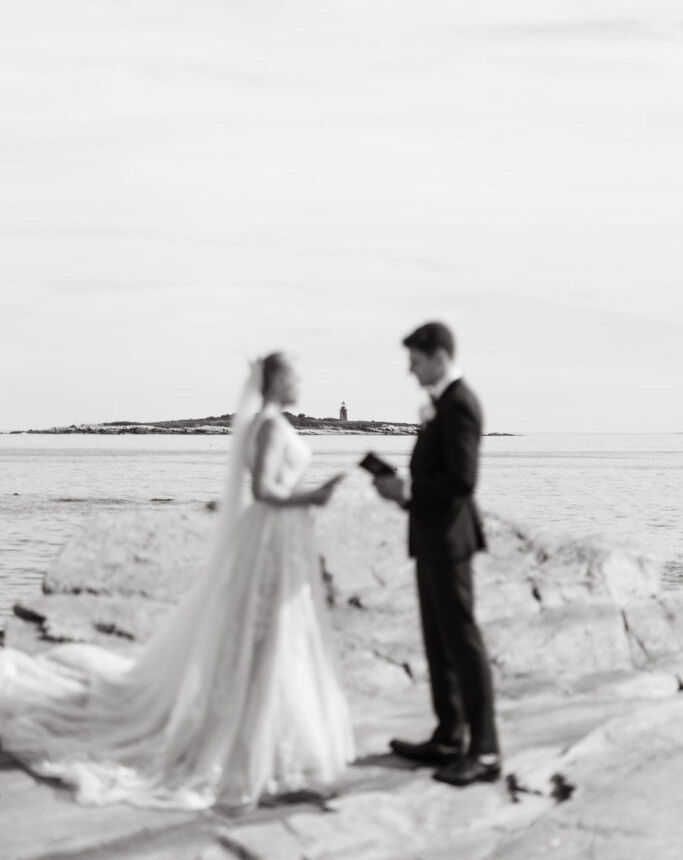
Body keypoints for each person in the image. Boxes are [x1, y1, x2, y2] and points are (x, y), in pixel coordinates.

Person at [0, 353, 353, 811]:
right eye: (295, 375)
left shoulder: (265, 423)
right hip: (269, 536)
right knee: (264, 630)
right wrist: (317, 494)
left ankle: (268, 738)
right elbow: (266, 490)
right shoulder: (267, 425)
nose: (301, 382)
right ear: (276, 381)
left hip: (278, 537)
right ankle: (253, 744)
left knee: (271, 632)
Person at [373, 322, 500, 787]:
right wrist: (404, 495)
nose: (410, 368)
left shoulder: (461, 403)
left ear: (439, 356)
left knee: (463, 643)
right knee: (438, 641)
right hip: (430, 537)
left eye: (416, 359)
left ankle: (485, 752)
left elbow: (463, 482)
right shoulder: (443, 405)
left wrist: (408, 489)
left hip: (450, 540)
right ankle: (449, 736)